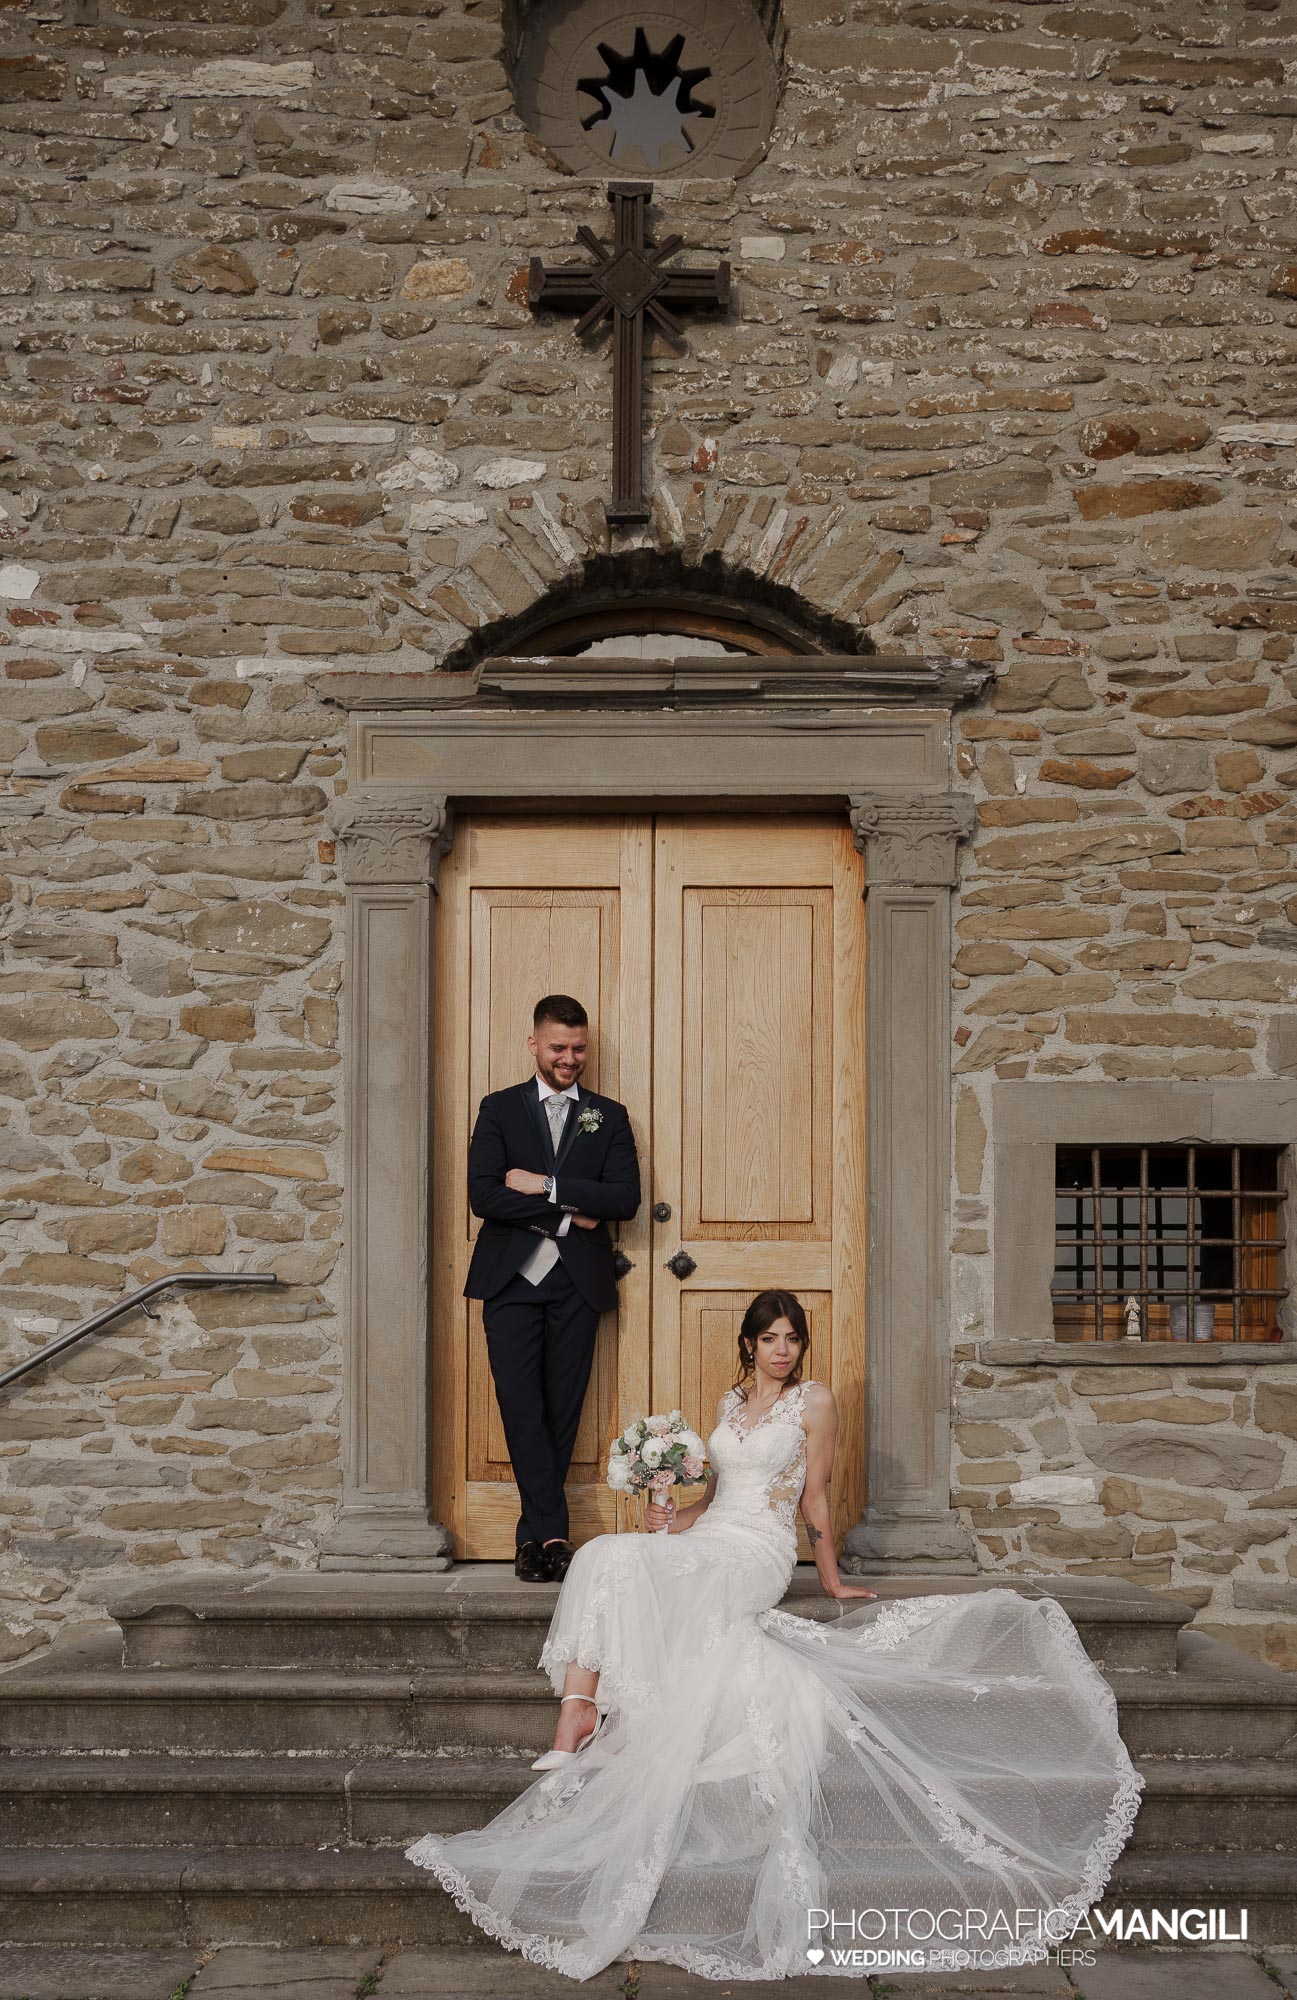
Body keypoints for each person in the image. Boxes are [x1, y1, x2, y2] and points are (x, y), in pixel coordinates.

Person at [407, 1287, 1145, 1981]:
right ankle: (577, 1706)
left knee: (638, 1565)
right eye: (770, 1339)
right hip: (715, 1530)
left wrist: (827, 1577)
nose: (782, 1350)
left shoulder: (812, 1402)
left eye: (792, 1339)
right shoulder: (731, 1402)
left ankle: (583, 1713)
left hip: (758, 1550)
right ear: (749, 1344)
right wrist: (672, 1519)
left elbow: (813, 1496)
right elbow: (718, 1494)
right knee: (608, 1551)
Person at [465, 993, 641, 1583]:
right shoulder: (498, 1109)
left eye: (579, 1048)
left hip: (577, 1285)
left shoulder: (607, 1115)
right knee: (521, 1407)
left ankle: (532, 1544)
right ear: (534, 1044)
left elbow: (623, 1200)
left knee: (561, 1412)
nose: (570, 1058)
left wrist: (543, 1186)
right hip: (511, 1281)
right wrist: (569, 1214)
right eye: (559, 1047)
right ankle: (554, 1534)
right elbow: (484, 1197)